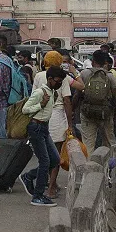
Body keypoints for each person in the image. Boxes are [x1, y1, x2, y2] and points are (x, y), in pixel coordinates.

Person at [20, 66, 66, 207]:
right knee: (45, 161)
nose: (59, 84)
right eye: (57, 81)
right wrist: (41, 104)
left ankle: (29, 176)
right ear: (50, 79)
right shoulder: (40, 92)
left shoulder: (52, 92)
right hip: (36, 127)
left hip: (44, 127)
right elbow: (25, 109)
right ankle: (38, 195)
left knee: (55, 159)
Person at [33, 51, 74, 199]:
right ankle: (50, 188)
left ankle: (49, 183)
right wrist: (70, 123)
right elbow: (67, 101)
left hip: (42, 117)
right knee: (55, 155)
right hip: (57, 117)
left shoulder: (38, 76)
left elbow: (34, 96)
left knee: (44, 154)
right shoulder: (62, 77)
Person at [71, 50, 116, 152]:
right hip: (105, 113)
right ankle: (111, 165)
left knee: (88, 143)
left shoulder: (84, 73)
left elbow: (77, 94)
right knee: (109, 141)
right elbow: (115, 98)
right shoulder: (109, 76)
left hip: (87, 112)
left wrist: (72, 110)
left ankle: (88, 166)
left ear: (93, 61)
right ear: (105, 62)